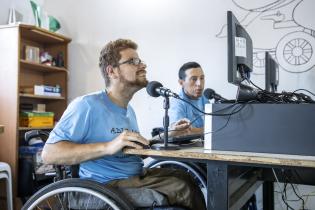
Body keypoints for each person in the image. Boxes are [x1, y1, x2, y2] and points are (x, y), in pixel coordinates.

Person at [41, 39, 206, 210]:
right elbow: (49, 153)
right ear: (112, 71)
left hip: (135, 178)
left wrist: (168, 134)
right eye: (133, 61)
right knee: (182, 189)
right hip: (105, 186)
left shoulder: (129, 110)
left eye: (140, 60)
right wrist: (109, 146)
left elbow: (133, 151)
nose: (143, 65)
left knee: (183, 177)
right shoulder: (87, 105)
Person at [169, 61, 209, 135]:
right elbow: (181, 132)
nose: (199, 84)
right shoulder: (177, 103)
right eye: (194, 79)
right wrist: (209, 129)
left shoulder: (204, 98)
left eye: (202, 78)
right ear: (181, 83)